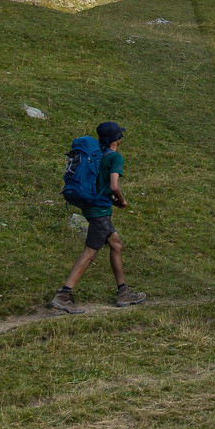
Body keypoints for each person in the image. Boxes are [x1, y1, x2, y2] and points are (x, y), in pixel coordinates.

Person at [49, 122, 147, 312]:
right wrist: (122, 200)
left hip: (92, 207)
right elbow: (114, 186)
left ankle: (123, 292)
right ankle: (63, 295)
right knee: (90, 252)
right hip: (100, 213)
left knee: (116, 244)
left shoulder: (97, 155)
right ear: (117, 139)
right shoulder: (115, 158)